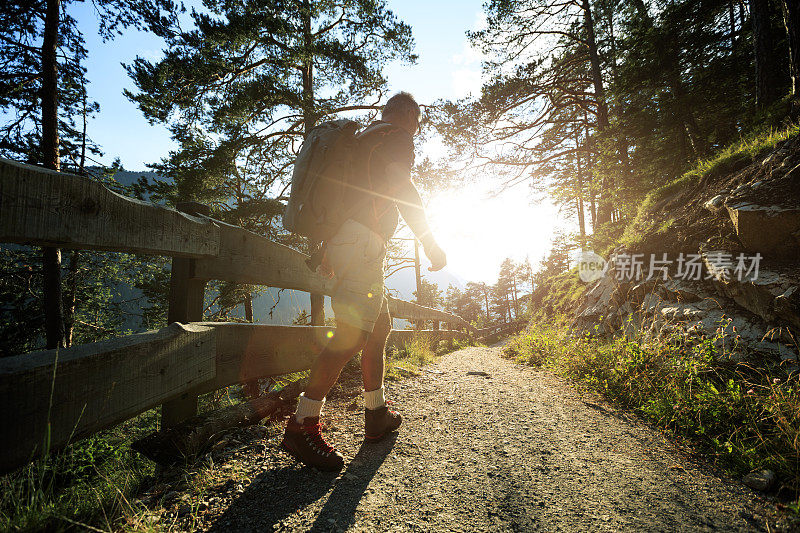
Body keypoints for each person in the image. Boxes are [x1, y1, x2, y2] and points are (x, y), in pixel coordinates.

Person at [280, 92, 447, 471]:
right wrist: (431, 243)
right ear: (408, 113)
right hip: (362, 243)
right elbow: (402, 188)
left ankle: (376, 413)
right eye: (417, 120)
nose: (417, 129)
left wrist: (329, 248)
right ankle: (302, 424)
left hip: (346, 242)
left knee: (380, 325)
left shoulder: (363, 139)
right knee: (352, 334)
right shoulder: (396, 136)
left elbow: (347, 200)